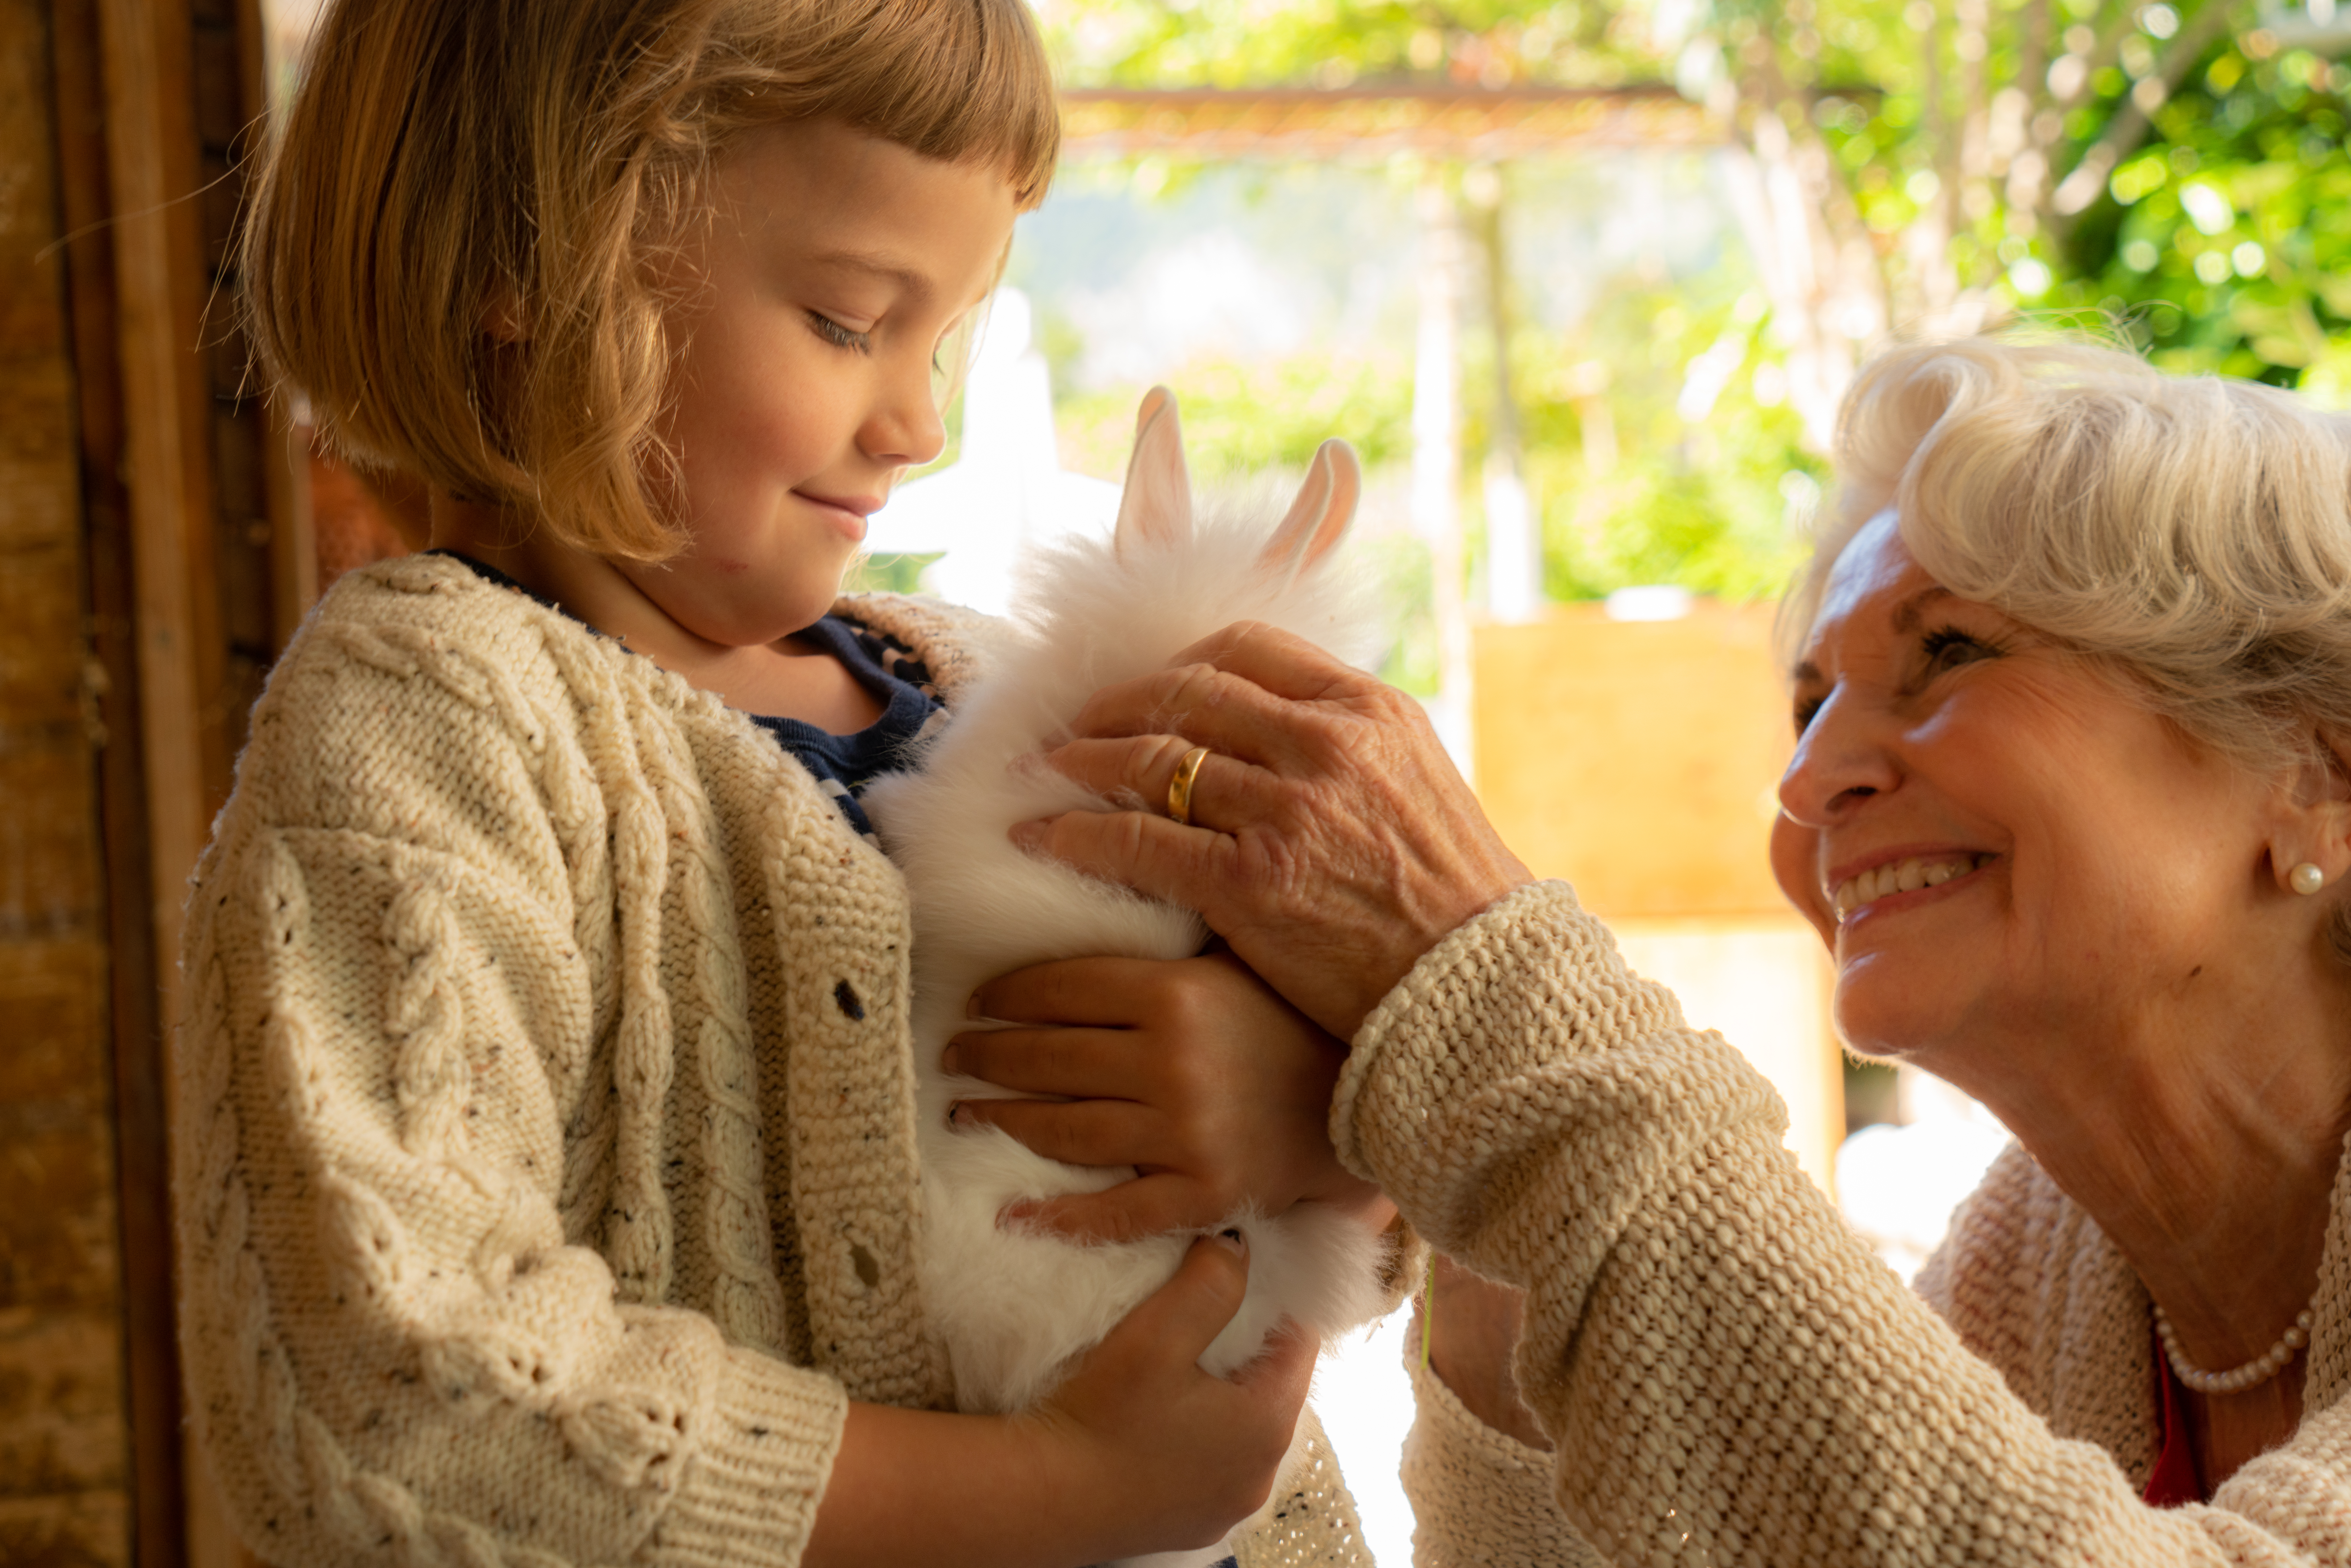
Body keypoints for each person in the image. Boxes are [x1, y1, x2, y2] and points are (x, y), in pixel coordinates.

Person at [177, 3, 1391, 1563]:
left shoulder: (971, 678)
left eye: (940, 338)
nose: (920, 425)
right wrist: (1056, 1493)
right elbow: (400, 1379)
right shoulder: (431, 725)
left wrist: (1303, 1119)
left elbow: (1365, 1149)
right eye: (846, 321)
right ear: (530, 268)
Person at [960, 338, 2351, 1561]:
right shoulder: (2040, 1259)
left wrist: (1484, 998)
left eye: (1945, 658)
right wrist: (1453, 1166)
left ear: (2316, 777)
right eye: (1806, 707)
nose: (1806, 785)